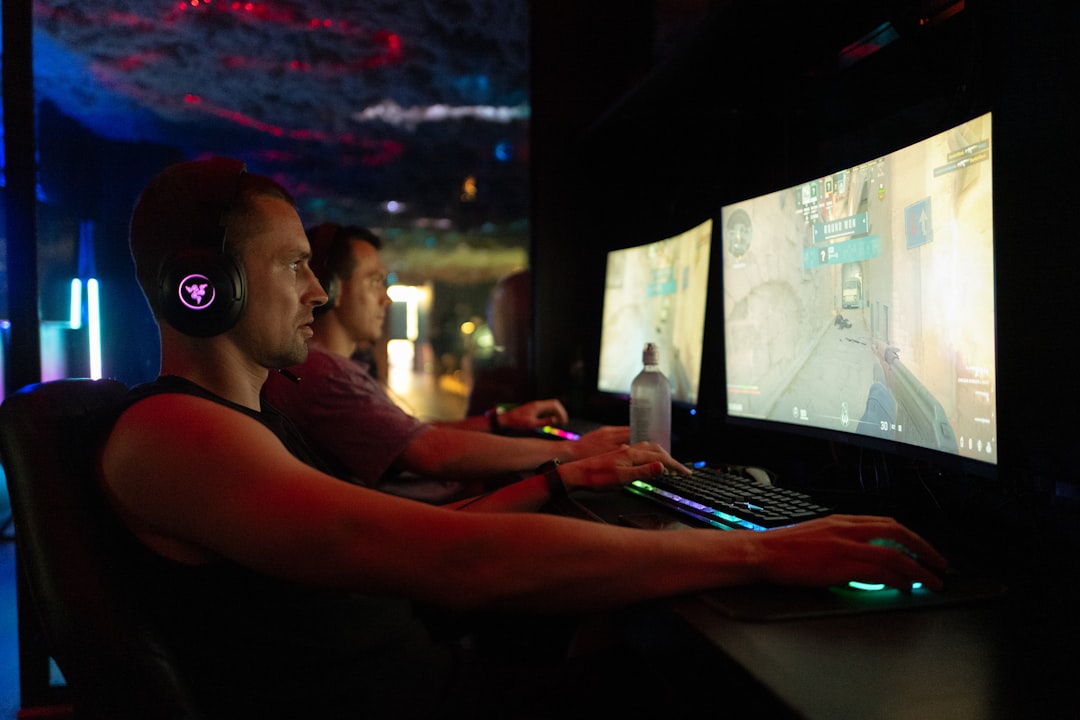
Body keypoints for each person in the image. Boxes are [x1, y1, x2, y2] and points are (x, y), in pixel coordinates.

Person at [101, 157, 947, 717]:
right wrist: (761, 553)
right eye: (293, 265)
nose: (318, 291)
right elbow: (448, 563)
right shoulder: (175, 435)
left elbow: (412, 544)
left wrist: (562, 481)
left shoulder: (250, 423)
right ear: (201, 289)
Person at [262, 222, 631, 501]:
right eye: (375, 281)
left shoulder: (329, 368)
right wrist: (574, 451)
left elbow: (407, 431)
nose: (386, 300)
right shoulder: (324, 373)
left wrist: (500, 421)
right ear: (335, 290)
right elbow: (431, 452)